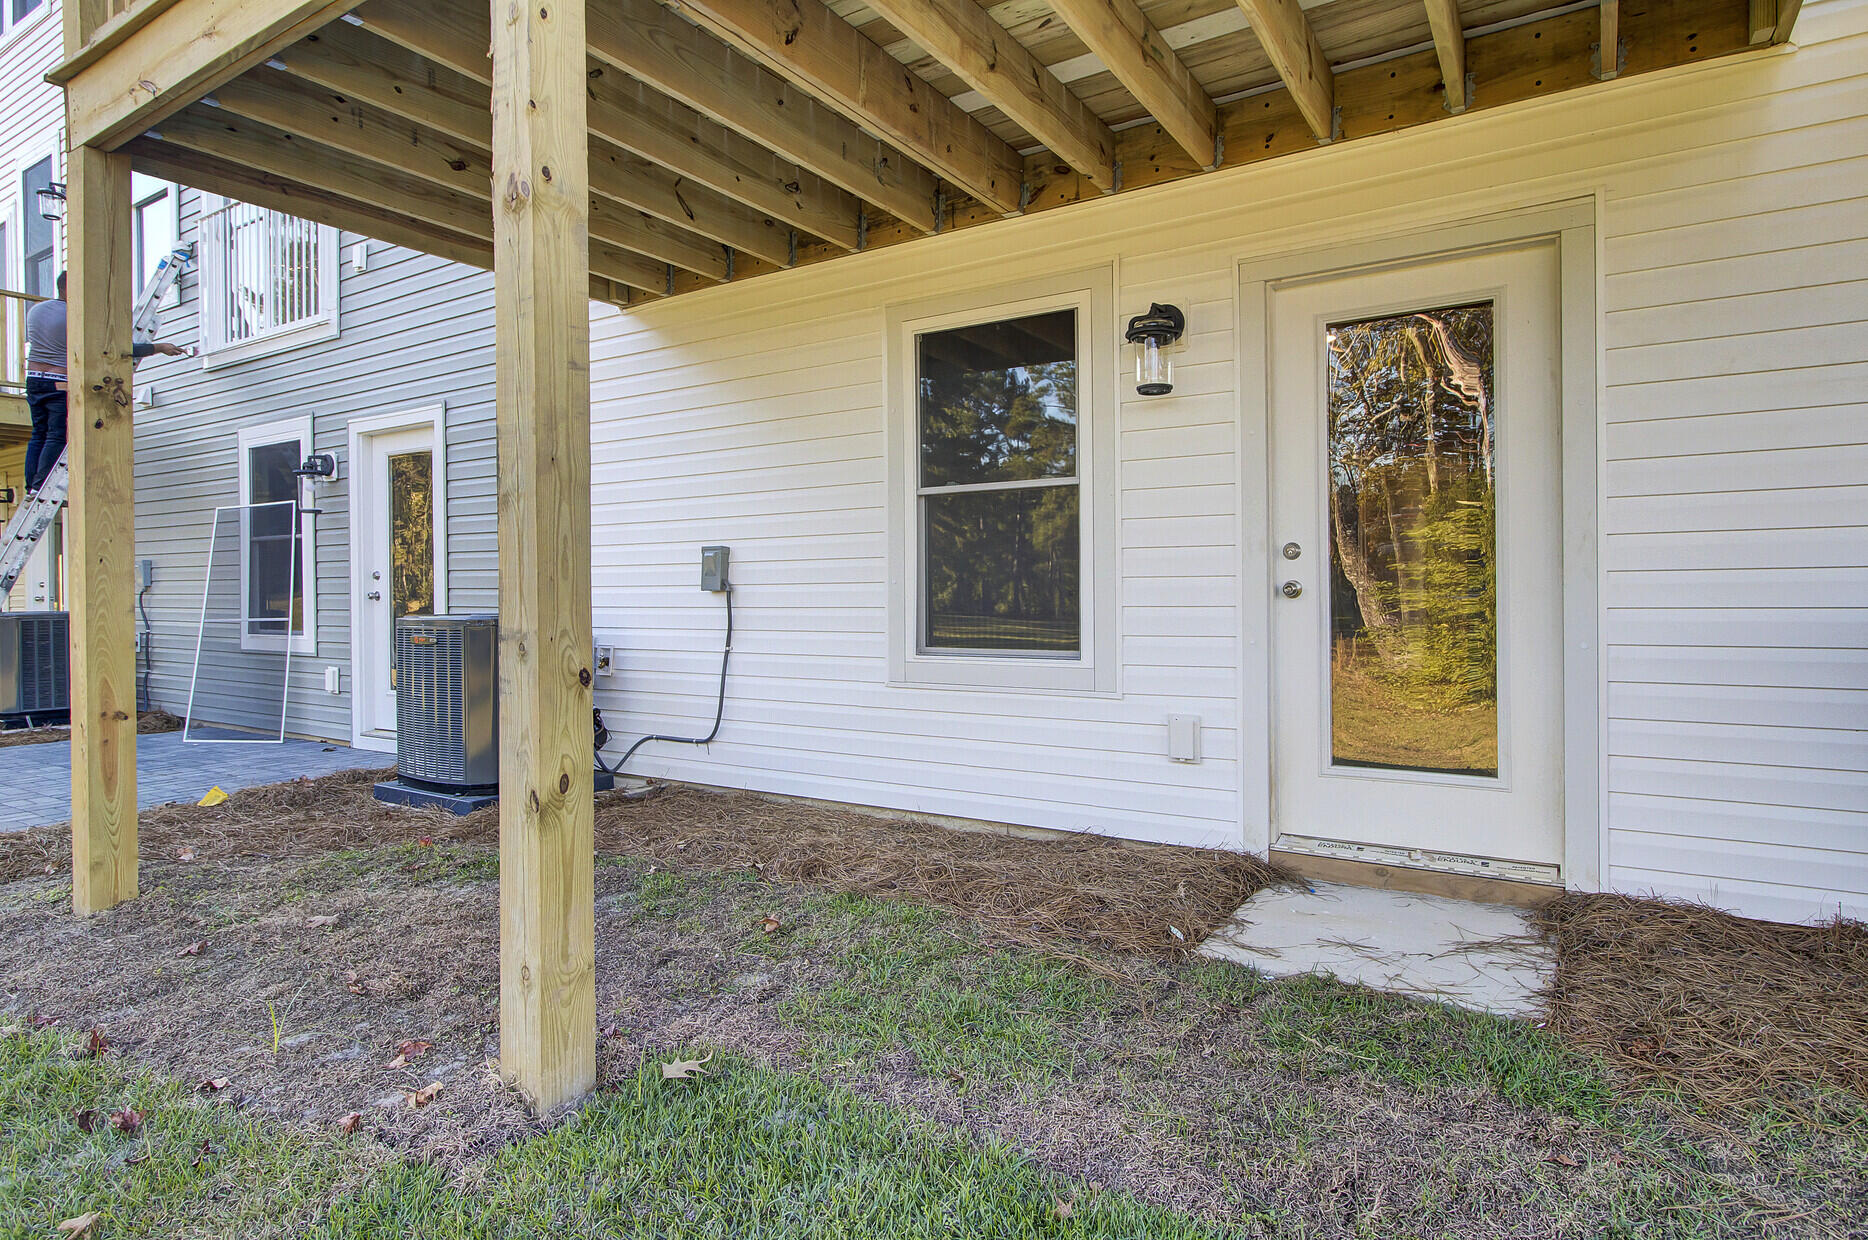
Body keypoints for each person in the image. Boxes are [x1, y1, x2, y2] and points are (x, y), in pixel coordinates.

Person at [23, 271, 188, 494]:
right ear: (71, 288)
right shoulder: (76, 316)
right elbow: (116, 349)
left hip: (34, 380)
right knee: (56, 434)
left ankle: (31, 485)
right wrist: (159, 347)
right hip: (59, 382)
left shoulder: (36, 311)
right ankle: (41, 486)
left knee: (38, 434)